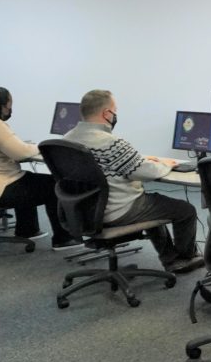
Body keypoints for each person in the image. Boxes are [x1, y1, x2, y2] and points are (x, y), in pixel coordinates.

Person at [64, 90, 203, 273]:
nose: (115, 115)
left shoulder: (66, 139)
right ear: (106, 113)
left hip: (83, 211)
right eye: (115, 110)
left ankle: (170, 258)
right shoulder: (110, 142)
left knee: (154, 202)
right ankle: (184, 258)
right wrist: (166, 163)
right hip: (117, 210)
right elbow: (145, 172)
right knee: (185, 210)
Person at [0, 86, 80, 250]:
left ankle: (28, 230)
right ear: (0, 106)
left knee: (26, 179)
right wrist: (43, 146)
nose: (9, 110)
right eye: (9, 106)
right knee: (55, 185)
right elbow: (20, 153)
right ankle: (63, 239)